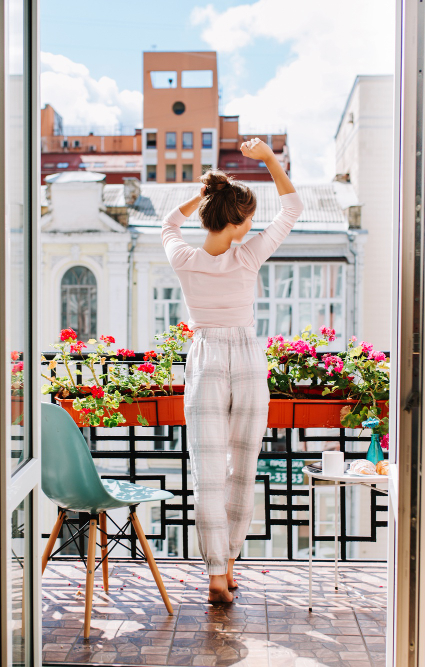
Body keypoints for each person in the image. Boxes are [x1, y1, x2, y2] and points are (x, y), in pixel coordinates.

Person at [161, 138, 303, 603]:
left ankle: (216, 575)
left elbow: (169, 223)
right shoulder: (247, 255)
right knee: (243, 466)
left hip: (205, 357)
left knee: (207, 470)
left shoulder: (184, 259)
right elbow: (293, 207)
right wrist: (269, 160)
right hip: (244, 357)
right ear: (239, 223)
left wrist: (201, 196)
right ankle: (230, 563)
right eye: (249, 219)